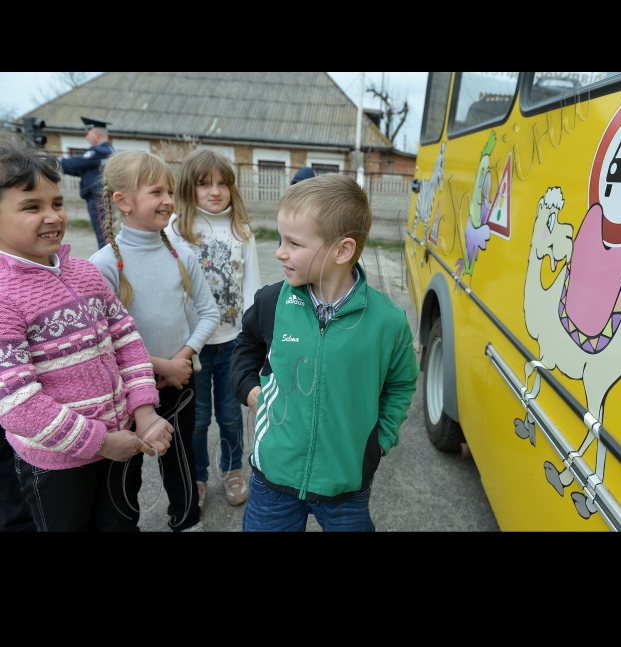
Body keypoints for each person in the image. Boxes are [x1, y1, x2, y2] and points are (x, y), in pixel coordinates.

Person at [0, 134, 172, 532]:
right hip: (58, 466)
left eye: (57, 203)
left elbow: (128, 341)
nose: (53, 216)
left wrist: (144, 411)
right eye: (32, 206)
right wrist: (100, 441)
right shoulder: (5, 296)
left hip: (121, 443)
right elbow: (17, 402)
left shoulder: (86, 273)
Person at [231, 173, 419, 532]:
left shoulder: (388, 322)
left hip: (346, 483)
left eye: (294, 243)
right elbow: (246, 345)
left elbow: (401, 384)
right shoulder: (272, 301)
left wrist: (378, 444)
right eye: (281, 239)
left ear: (342, 250)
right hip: (274, 477)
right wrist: (248, 390)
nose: (279, 251)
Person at [90, 150, 219, 532]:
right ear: (123, 201)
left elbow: (209, 313)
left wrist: (183, 357)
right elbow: (104, 342)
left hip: (179, 381)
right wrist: (159, 366)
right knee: (125, 470)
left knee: (181, 461)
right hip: (127, 389)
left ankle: (186, 521)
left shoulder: (183, 254)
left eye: (170, 192)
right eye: (156, 192)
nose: (168, 201)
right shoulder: (103, 265)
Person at [166, 149, 261, 514]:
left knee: (231, 415)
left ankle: (233, 469)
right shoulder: (175, 228)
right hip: (192, 346)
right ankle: (199, 475)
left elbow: (252, 284)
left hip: (232, 342)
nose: (215, 191)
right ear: (190, 187)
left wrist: (255, 336)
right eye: (205, 184)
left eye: (222, 183)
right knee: (198, 418)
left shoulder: (242, 229)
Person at [58, 116, 115, 249]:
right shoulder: (107, 150)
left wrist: (53, 160)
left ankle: (107, 265)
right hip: (100, 196)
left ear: (96, 134)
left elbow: (75, 163)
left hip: (98, 197)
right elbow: (82, 170)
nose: (86, 137)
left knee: (104, 236)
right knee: (105, 234)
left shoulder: (99, 151)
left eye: (88, 133)